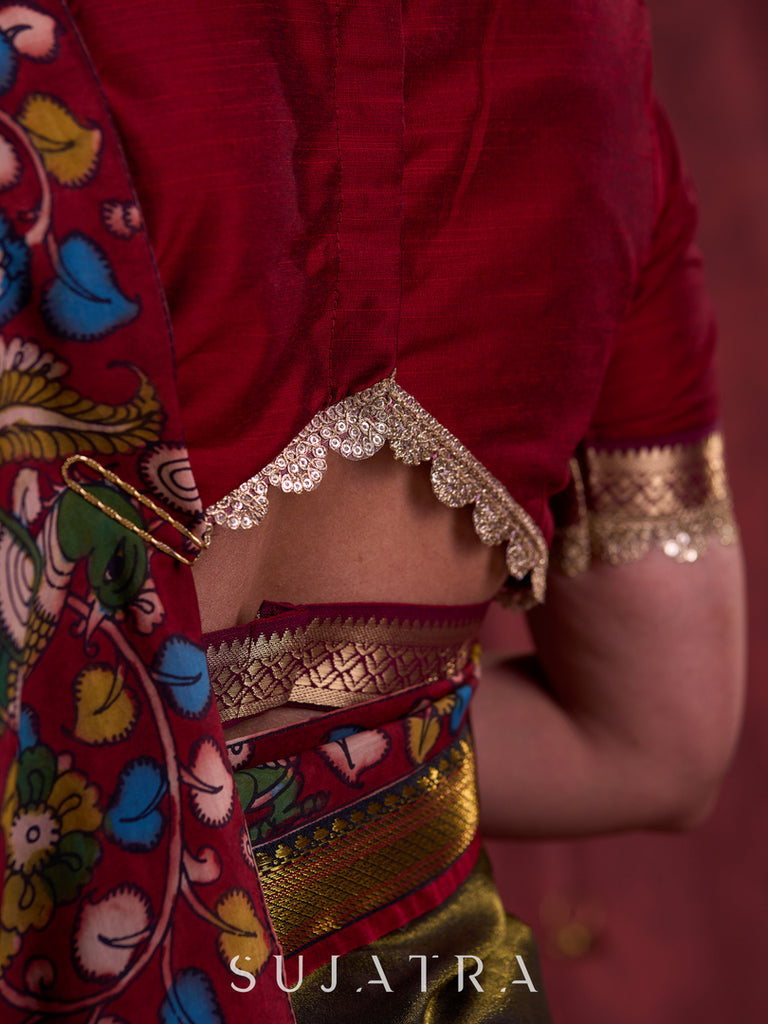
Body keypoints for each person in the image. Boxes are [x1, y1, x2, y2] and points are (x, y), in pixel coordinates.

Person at [0, 1, 745, 1022]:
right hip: (418, 985)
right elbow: (661, 741)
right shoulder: (593, 57)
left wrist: (175, 763)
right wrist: (341, 753)